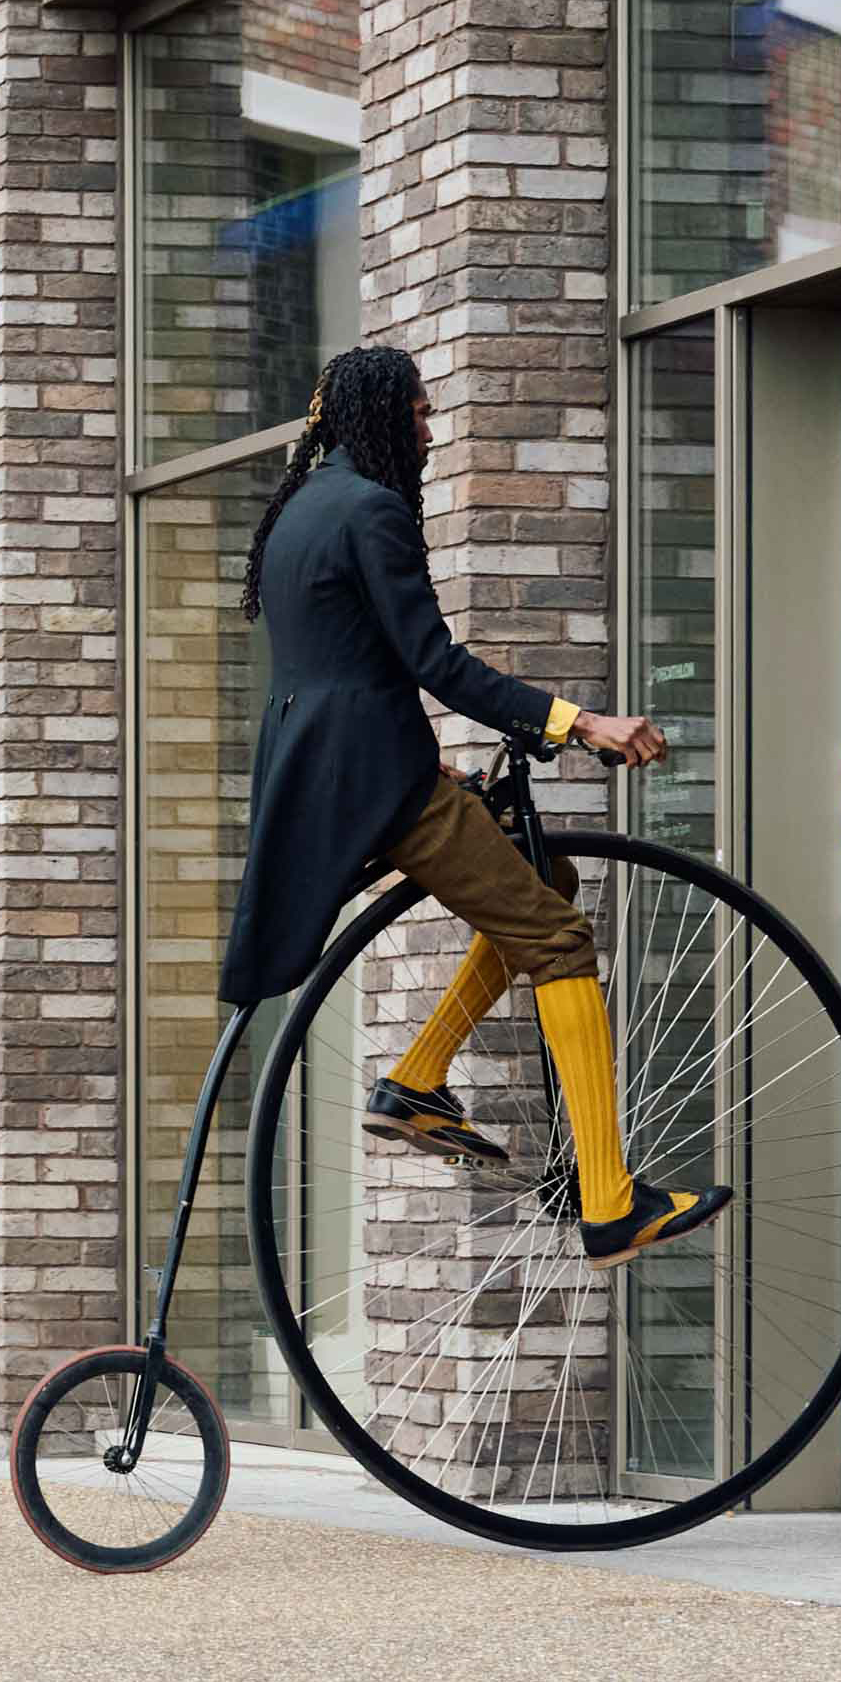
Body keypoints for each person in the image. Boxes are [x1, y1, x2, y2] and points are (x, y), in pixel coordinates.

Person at [213, 344, 725, 1265]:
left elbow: (346, 663)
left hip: (337, 768)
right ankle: (611, 1200)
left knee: (545, 879)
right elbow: (433, 661)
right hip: (378, 784)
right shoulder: (373, 510)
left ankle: (417, 1079)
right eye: (416, 411)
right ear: (377, 414)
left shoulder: (299, 508)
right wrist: (580, 722)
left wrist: (423, 757)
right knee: (562, 938)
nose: (430, 427)